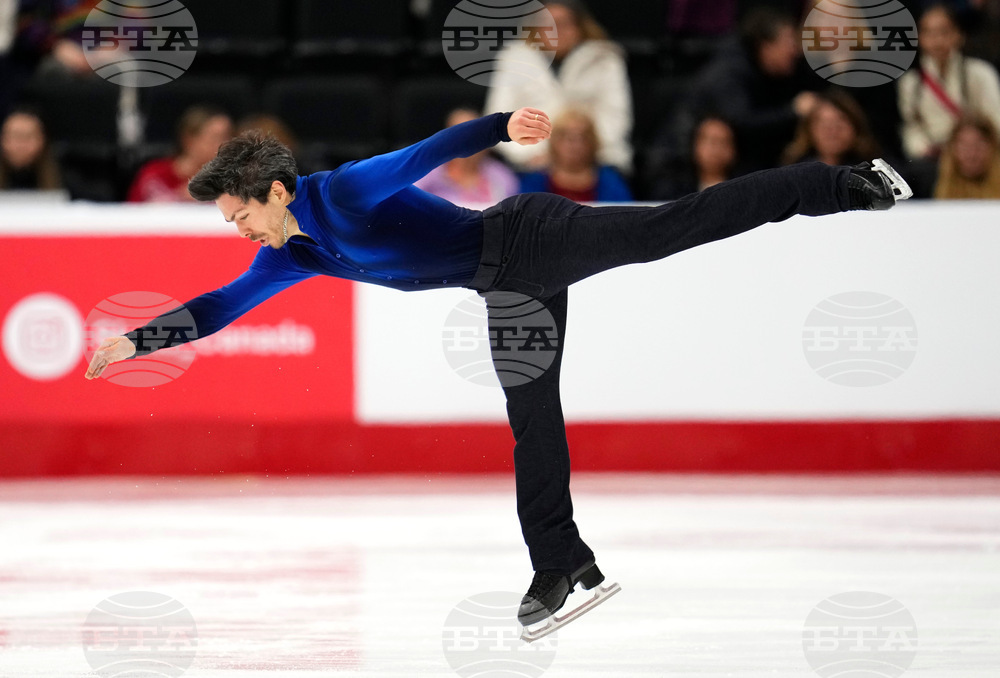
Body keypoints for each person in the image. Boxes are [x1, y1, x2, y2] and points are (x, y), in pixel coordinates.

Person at [85, 107, 912, 636]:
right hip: (506, 288)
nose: (238, 232)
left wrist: (499, 125)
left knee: (669, 227)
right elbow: (221, 304)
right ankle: (562, 566)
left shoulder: (342, 194)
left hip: (530, 236)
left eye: (239, 216)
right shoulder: (290, 252)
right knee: (531, 421)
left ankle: (841, 183)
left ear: (274, 190)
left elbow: (427, 150)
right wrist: (136, 343)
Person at [484, 0, 633, 173]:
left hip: (597, 161)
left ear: (579, 26)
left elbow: (617, 119)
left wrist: (581, 153)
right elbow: (499, 120)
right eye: (547, 25)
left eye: (563, 24)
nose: (555, 31)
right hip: (531, 163)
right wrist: (534, 154)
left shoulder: (605, 59)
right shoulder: (514, 59)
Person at [677, 7, 818, 171]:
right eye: (789, 42)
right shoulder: (730, 72)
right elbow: (742, 122)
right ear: (766, 46)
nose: (795, 51)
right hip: (685, 164)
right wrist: (792, 111)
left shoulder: (769, 70)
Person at [898, 3, 1000, 161]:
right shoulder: (911, 82)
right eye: (929, 33)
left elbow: (995, 120)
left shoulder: (981, 73)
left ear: (959, 35)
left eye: (944, 32)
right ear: (919, 38)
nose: (937, 40)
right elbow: (912, 128)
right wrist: (923, 149)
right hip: (933, 159)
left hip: (976, 156)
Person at [518, 109, 632, 202]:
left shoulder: (611, 181)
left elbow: (623, 216)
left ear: (593, 142)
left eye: (582, 137)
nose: (574, 145)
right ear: (553, 141)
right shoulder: (534, 181)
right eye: (565, 137)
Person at [414, 108, 520, 207]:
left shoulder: (501, 176)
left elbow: (512, 213)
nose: (467, 143)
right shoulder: (426, 173)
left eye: (475, 135)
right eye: (459, 136)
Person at [127, 106, 233, 203]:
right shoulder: (154, 175)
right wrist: (178, 198)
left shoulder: (232, 180)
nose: (225, 145)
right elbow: (131, 212)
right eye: (216, 138)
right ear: (189, 139)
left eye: (229, 137)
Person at [650, 116, 740, 201]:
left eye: (723, 142)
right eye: (710, 141)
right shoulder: (673, 190)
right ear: (694, 145)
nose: (716, 149)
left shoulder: (742, 190)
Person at [781, 90, 881, 167]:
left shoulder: (877, 169)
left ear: (855, 126)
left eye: (839, 121)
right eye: (822, 122)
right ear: (808, 130)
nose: (831, 130)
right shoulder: (792, 171)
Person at [934, 114, 1000, 199]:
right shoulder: (928, 188)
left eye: (979, 145)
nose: (972, 155)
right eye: (964, 146)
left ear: (993, 147)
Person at [0, 106, 62, 191]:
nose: (21, 145)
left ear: (42, 140)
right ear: (2, 140)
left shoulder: (64, 179)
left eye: (28, 137)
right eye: (15, 136)